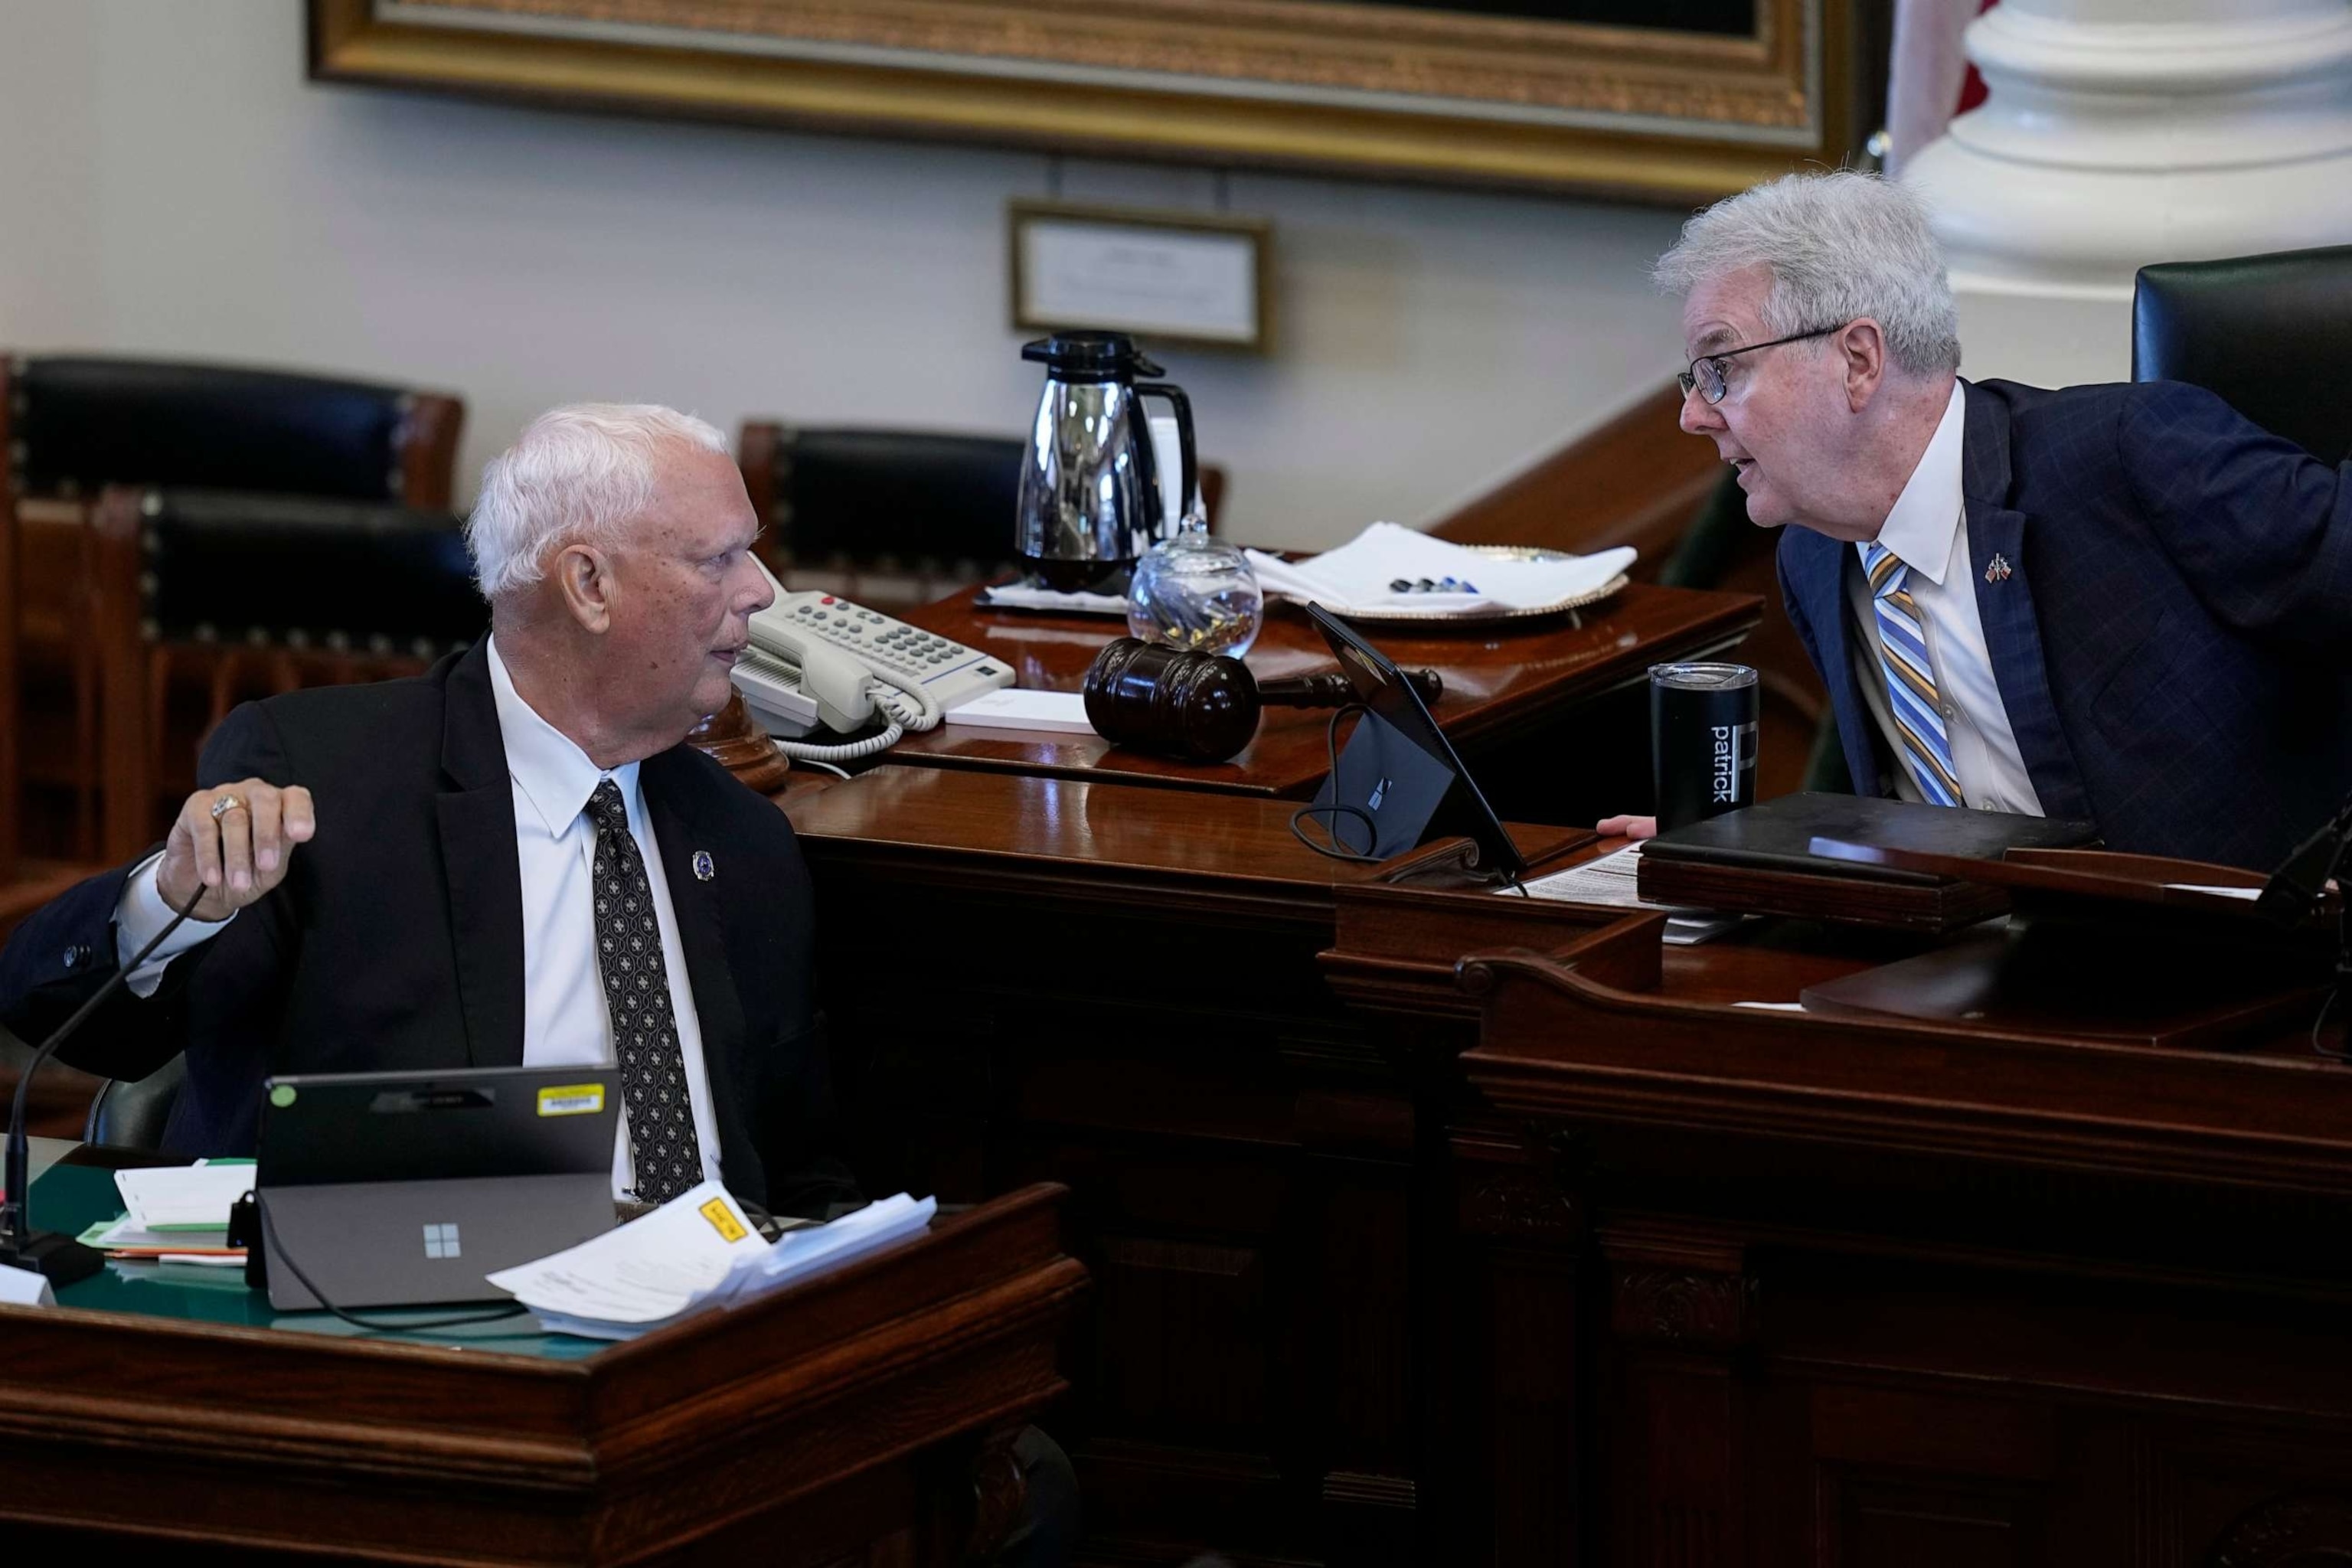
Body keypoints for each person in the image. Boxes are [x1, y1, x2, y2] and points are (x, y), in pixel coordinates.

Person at [0, 403, 858, 1215]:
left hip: (704, 1310)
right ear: (589, 584)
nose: (761, 592)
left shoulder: (743, 839)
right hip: (413, 1307)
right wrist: (176, 894)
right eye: (720, 558)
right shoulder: (325, 782)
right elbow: (58, 1015)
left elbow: (800, 1170)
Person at [1601, 171, 2352, 871]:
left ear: (1859, 361)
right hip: (1985, 970)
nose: (1692, 415)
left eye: (1721, 369)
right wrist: (1744, 854)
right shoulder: (1815, 557)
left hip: (2248, 970)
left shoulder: (2130, 455)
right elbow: (1917, 833)